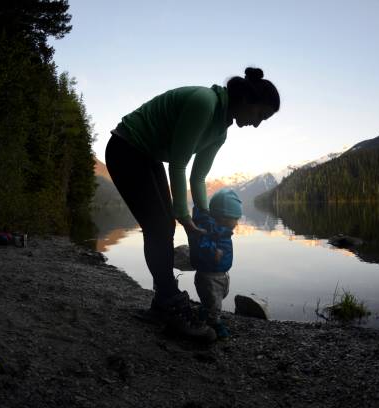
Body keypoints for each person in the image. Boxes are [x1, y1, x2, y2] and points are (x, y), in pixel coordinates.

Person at [105, 67, 280, 341]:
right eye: (260, 115)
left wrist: (203, 216)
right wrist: (184, 216)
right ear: (247, 100)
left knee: (164, 228)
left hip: (146, 154)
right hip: (126, 148)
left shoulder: (220, 132)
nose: (257, 124)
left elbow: (199, 178)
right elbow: (179, 163)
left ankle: (163, 301)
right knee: (160, 227)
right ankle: (168, 302)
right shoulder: (204, 102)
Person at [189, 189, 242, 339]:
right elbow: (201, 242)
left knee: (220, 296)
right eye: (235, 219)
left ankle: (205, 312)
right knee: (214, 302)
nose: (237, 223)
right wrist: (213, 252)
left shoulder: (222, 229)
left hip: (220, 273)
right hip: (209, 275)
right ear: (223, 217)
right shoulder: (209, 228)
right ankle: (214, 324)